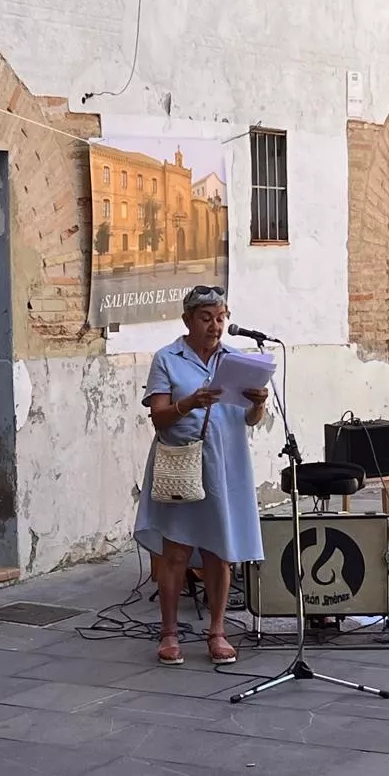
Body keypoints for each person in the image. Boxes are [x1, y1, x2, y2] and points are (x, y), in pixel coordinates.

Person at [133, 285, 268, 667]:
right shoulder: (167, 358)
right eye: (206, 318)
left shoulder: (237, 359)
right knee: (175, 550)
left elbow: (249, 419)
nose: (215, 326)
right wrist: (188, 402)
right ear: (188, 320)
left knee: (218, 550)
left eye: (221, 318)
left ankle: (218, 631)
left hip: (226, 464)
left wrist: (258, 404)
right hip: (181, 462)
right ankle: (169, 633)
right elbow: (158, 416)